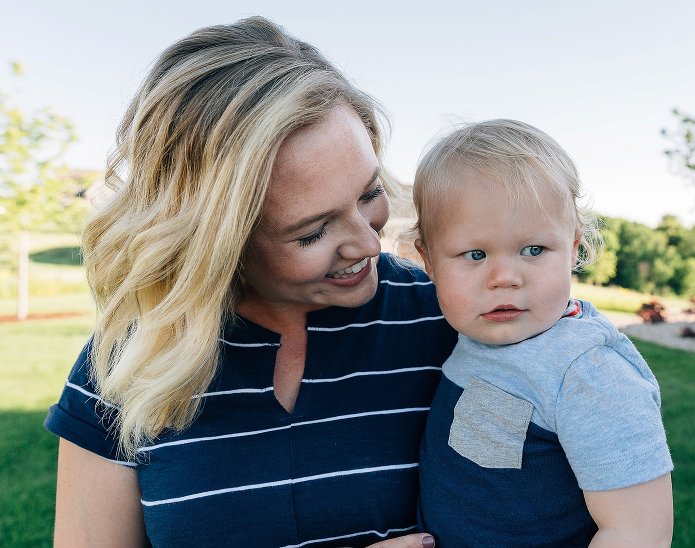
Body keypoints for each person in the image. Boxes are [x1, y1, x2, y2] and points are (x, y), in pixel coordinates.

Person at [44, 17, 456, 547]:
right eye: (313, 232)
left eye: (369, 192)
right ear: (217, 243)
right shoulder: (127, 366)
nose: (369, 244)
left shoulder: (453, 321)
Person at [411, 119, 674, 546]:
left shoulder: (588, 373)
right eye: (474, 254)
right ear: (429, 261)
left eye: (534, 250)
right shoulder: (476, 335)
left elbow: (640, 531)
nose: (504, 277)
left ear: (572, 248)